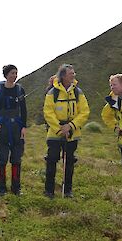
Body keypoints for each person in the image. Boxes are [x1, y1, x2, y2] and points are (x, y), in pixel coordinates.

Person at [43, 64, 90, 199]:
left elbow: (85, 111)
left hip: (72, 133)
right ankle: (49, 191)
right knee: (51, 160)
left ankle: (67, 190)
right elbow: (48, 112)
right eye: (71, 73)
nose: (73, 75)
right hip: (54, 133)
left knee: (69, 161)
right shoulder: (52, 92)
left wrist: (70, 126)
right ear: (63, 76)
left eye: (74, 73)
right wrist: (59, 129)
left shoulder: (78, 92)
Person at [0, 64, 27, 196]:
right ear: (6, 75)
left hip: (17, 128)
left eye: (16, 73)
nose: (15, 76)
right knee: (2, 158)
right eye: (12, 73)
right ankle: (1, 188)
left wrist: (24, 127)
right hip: (2, 128)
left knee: (17, 158)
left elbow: (24, 110)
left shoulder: (20, 90)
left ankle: (16, 188)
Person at [101, 74, 122, 170]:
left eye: (114, 84)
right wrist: (115, 127)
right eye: (111, 85)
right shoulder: (114, 101)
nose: (112, 87)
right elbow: (106, 115)